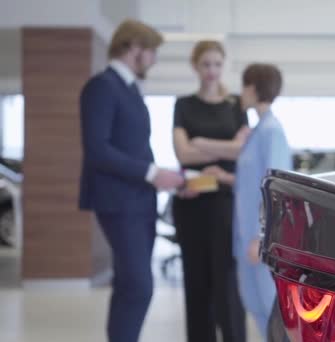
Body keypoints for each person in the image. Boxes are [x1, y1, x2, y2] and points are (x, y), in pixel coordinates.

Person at [78, 20, 185, 342]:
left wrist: (162, 176)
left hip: (139, 198)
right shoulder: (101, 86)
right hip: (118, 200)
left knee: (129, 285)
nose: (153, 60)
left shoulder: (129, 90)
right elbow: (97, 149)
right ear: (133, 48)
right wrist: (151, 173)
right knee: (139, 285)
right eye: (151, 52)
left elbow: (133, 147)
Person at [202, 63, 292, 339]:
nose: (241, 92)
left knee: (271, 309)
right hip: (245, 238)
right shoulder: (256, 132)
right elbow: (253, 182)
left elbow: (275, 187)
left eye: (244, 86)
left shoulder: (271, 132)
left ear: (253, 88)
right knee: (255, 306)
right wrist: (225, 176)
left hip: (259, 240)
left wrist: (262, 236)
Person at [171, 40, 247, 342]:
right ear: (195, 66)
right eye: (206, 64)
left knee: (227, 284)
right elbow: (182, 155)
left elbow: (243, 151)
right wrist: (224, 150)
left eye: (217, 64)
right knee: (196, 283)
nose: (212, 71)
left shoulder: (236, 105)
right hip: (192, 204)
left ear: (223, 65)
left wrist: (200, 143)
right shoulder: (184, 105)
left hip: (226, 204)